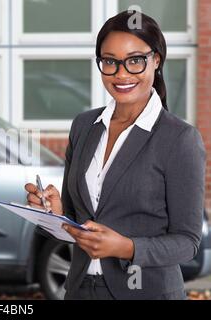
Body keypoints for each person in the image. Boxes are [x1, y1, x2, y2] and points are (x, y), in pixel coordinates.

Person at [25, 11, 206, 300]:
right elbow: (78, 222)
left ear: (156, 60)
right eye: (110, 61)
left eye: (135, 60)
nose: (121, 74)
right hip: (80, 290)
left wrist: (126, 247)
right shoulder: (84, 127)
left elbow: (187, 242)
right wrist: (54, 214)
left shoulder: (179, 139)